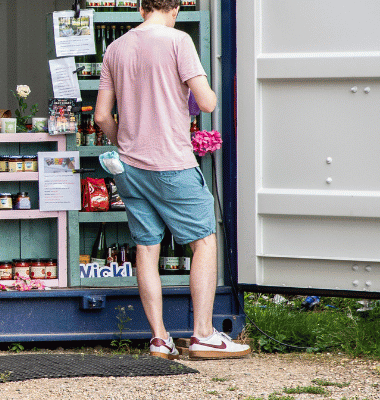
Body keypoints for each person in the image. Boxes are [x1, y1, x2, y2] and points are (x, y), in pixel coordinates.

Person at [94, 0, 246, 360]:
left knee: (147, 249)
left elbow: (101, 115)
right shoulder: (179, 41)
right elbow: (208, 102)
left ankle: (159, 339)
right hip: (172, 164)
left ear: (139, 7)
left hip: (129, 168)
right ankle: (203, 334)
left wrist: (125, 144)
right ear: (176, 7)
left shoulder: (115, 49)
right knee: (203, 242)